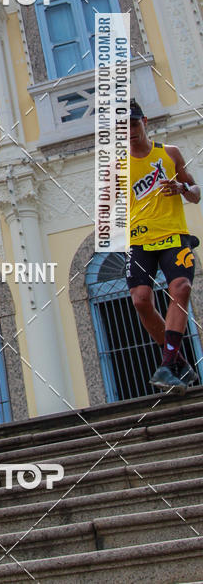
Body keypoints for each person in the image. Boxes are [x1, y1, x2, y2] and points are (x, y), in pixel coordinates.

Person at [128, 99, 201, 392]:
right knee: (140, 300)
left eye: (133, 124)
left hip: (173, 234)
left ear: (144, 122)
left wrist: (182, 188)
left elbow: (195, 193)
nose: (130, 131)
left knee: (180, 288)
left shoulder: (170, 153)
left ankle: (166, 364)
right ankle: (178, 363)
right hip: (140, 239)